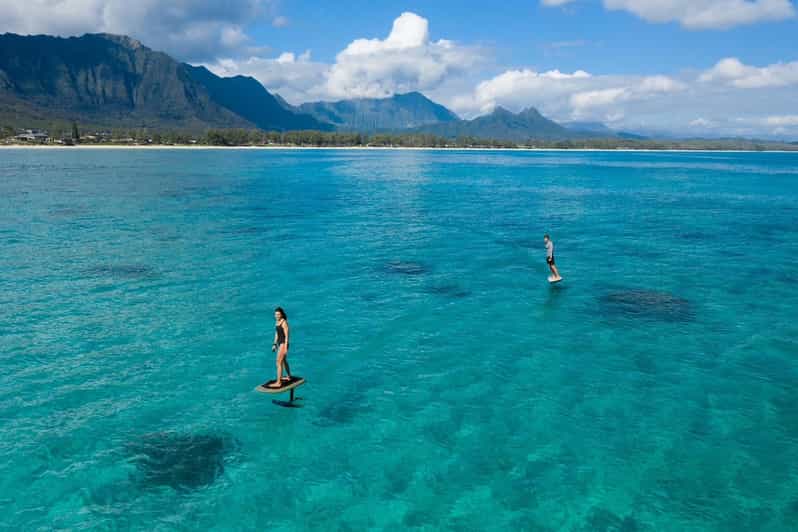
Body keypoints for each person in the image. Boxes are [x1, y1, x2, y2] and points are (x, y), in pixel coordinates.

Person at [267, 307, 292, 388]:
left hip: (283, 344)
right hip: (279, 343)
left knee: (278, 362)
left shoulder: (284, 322)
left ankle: (278, 382)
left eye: (278, 314)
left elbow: (287, 335)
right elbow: (277, 333)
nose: (276, 316)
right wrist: (274, 344)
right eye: (275, 314)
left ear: (281, 314)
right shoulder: (277, 322)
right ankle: (288, 376)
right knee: (283, 360)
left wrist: (285, 346)